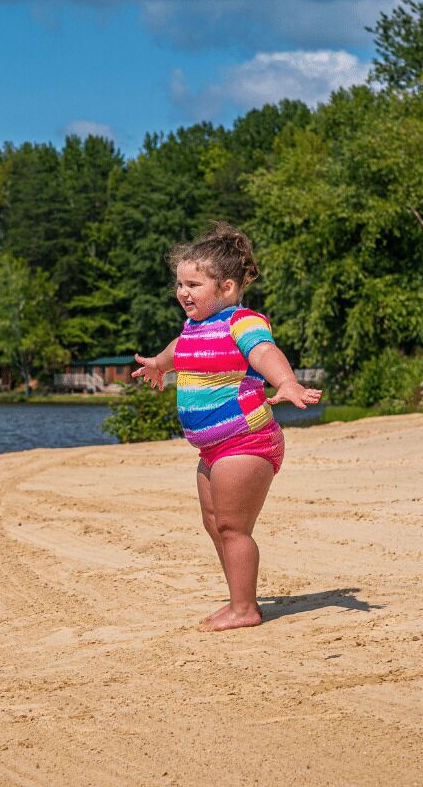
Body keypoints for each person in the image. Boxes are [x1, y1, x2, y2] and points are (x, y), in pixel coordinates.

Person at [132, 222, 321, 631]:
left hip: (246, 440)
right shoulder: (194, 327)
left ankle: (244, 609)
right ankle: (240, 599)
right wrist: (159, 365)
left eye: (194, 284)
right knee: (215, 522)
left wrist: (286, 382)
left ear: (228, 289)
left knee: (234, 526)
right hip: (212, 450)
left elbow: (264, 352)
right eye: (180, 284)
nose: (183, 292)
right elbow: (178, 350)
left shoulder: (242, 321)